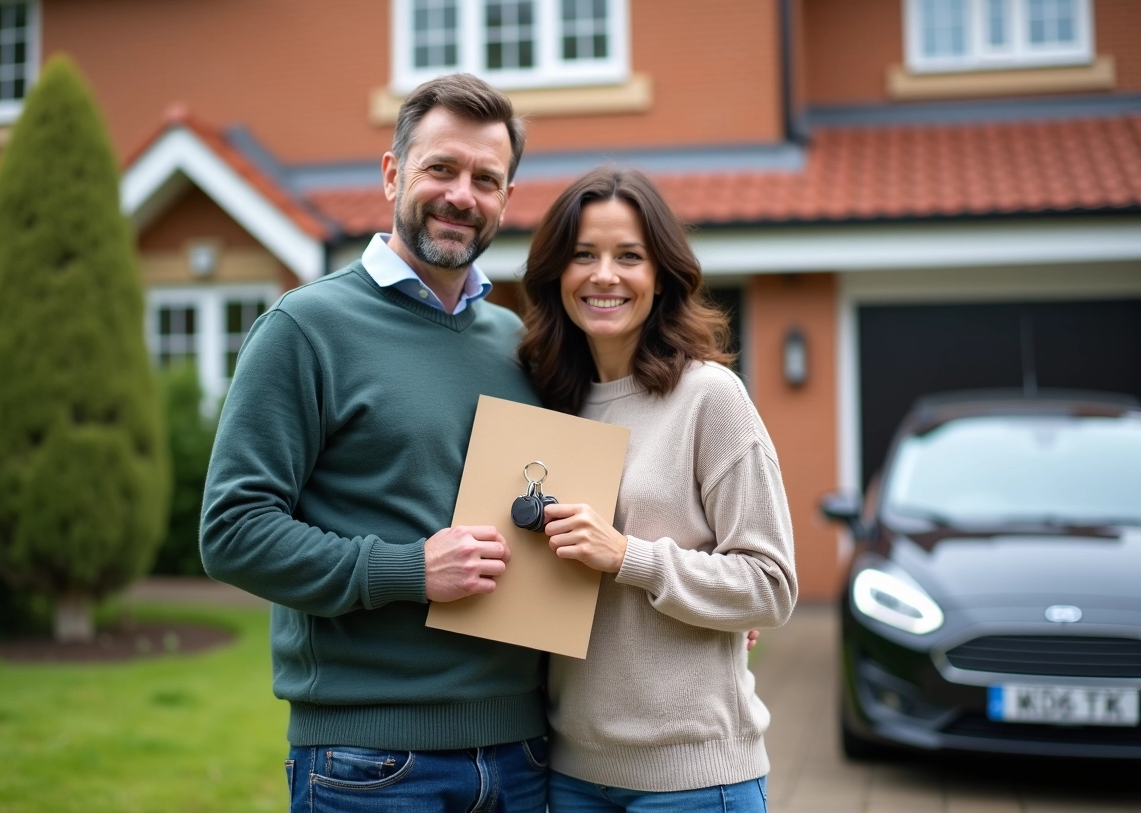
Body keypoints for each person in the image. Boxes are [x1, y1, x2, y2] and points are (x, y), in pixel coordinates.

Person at [200, 74, 549, 813]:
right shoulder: (305, 329)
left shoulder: (518, 344)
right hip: (371, 762)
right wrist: (408, 570)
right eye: (441, 169)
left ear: (506, 198)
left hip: (524, 754)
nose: (463, 194)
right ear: (393, 172)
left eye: (487, 178)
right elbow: (231, 534)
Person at [518, 167, 799, 812]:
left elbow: (772, 586)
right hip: (570, 771)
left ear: (661, 276)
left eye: (629, 257)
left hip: (695, 779)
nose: (604, 275)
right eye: (583, 254)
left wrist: (630, 558)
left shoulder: (711, 400)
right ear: (555, 273)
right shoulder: (549, 404)